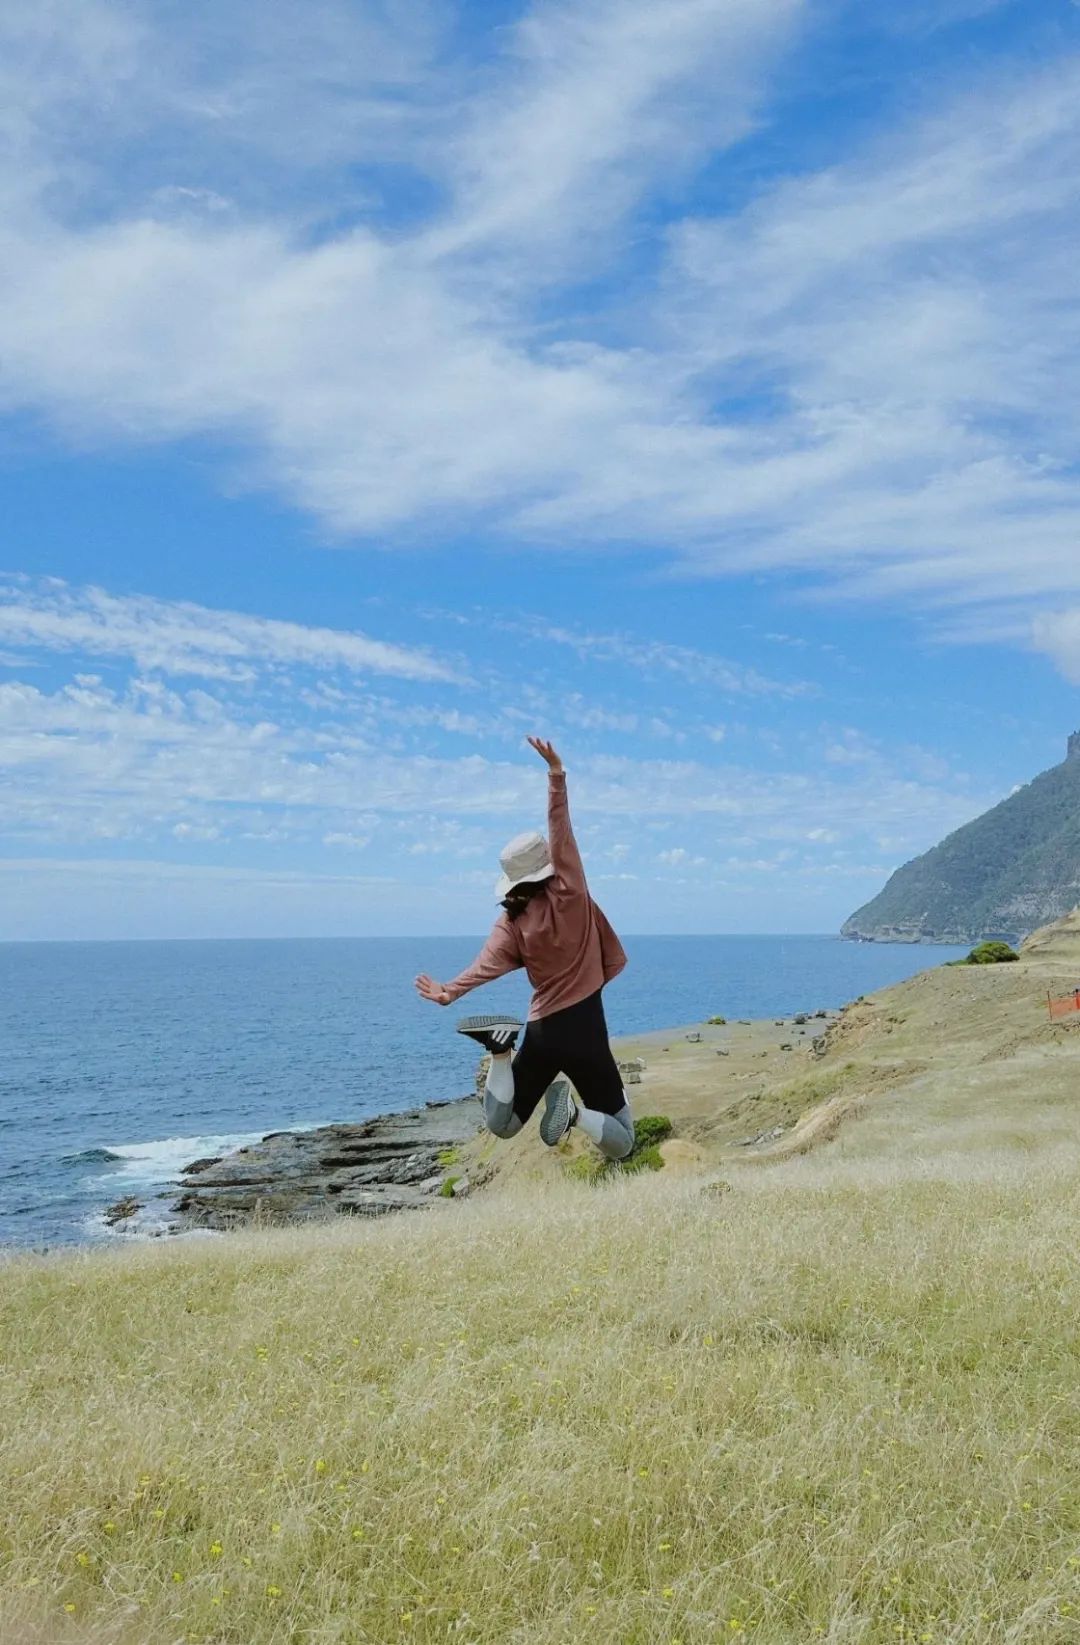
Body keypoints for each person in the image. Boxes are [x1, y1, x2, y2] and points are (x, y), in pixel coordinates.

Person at [414, 737, 635, 1160]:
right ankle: (573, 1115)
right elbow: (562, 829)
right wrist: (556, 775)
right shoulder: (570, 894)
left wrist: (450, 992)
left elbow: (485, 966)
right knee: (623, 1141)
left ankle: (499, 1051)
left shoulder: (511, 920)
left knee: (505, 1124)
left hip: (539, 1031)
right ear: (549, 865)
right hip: (584, 1031)